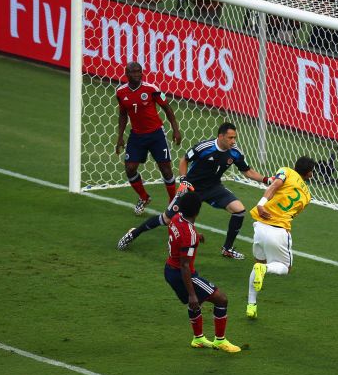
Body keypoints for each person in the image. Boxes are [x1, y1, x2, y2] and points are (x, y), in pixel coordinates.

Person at [118, 122, 274, 260]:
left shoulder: (235, 152)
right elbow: (184, 160)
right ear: (220, 136)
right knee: (166, 219)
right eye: (230, 138)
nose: (233, 141)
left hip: (214, 188)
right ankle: (134, 233)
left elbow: (247, 171)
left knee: (239, 210)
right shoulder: (204, 147)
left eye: (235, 138)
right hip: (192, 188)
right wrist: (184, 179)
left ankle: (227, 249)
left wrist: (266, 180)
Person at [163, 191, 241, 353]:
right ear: (197, 211)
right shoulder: (189, 235)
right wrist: (191, 294)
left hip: (170, 269)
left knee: (197, 302)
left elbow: (180, 236)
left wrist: (196, 236)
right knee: (221, 299)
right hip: (182, 273)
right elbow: (184, 265)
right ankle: (220, 341)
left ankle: (198, 338)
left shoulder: (177, 218)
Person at [246, 156, 316, 318]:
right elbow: (291, 214)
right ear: (309, 173)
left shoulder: (285, 171)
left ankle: (251, 304)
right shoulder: (307, 197)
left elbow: (275, 185)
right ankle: (266, 269)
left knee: (258, 263)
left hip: (260, 226)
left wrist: (261, 204)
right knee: (285, 268)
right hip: (279, 231)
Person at [115, 62, 183, 215]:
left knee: (166, 169)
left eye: (139, 71)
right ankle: (144, 197)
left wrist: (175, 129)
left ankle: (173, 204)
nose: (137, 74)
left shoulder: (152, 89)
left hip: (156, 134)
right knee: (130, 168)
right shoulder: (120, 92)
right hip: (137, 135)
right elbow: (123, 114)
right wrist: (120, 137)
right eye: (133, 72)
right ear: (127, 73)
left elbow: (167, 108)